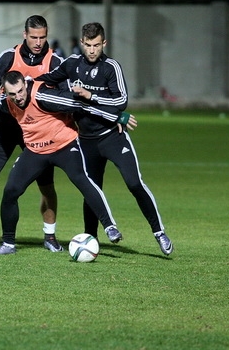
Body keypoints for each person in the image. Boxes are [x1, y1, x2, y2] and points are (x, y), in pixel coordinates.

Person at [37, 22, 174, 256]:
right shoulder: (71, 64)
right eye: (88, 45)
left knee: (134, 183)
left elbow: (121, 101)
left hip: (113, 137)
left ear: (104, 43)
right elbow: (45, 80)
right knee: (92, 191)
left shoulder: (111, 67)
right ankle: (90, 240)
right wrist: (25, 83)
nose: (92, 50)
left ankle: (159, 232)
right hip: (86, 141)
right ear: (82, 43)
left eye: (96, 45)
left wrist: (90, 95)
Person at [0, 70, 136, 254]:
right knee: (11, 191)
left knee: (82, 179)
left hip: (64, 146)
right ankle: (8, 244)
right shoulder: (6, 102)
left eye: (20, 91)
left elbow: (80, 104)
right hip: (35, 151)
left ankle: (109, 226)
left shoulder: (43, 96)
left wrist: (115, 115)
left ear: (25, 85)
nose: (18, 97)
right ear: (5, 92)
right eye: (12, 94)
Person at [0, 15, 64, 252]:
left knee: (46, 185)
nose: (38, 42)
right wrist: (1, 112)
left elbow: (63, 98)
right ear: (24, 35)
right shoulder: (9, 57)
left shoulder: (55, 62)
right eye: (34, 37)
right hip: (6, 128)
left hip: (37, 132)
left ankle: (49, 236)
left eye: (42, 37)